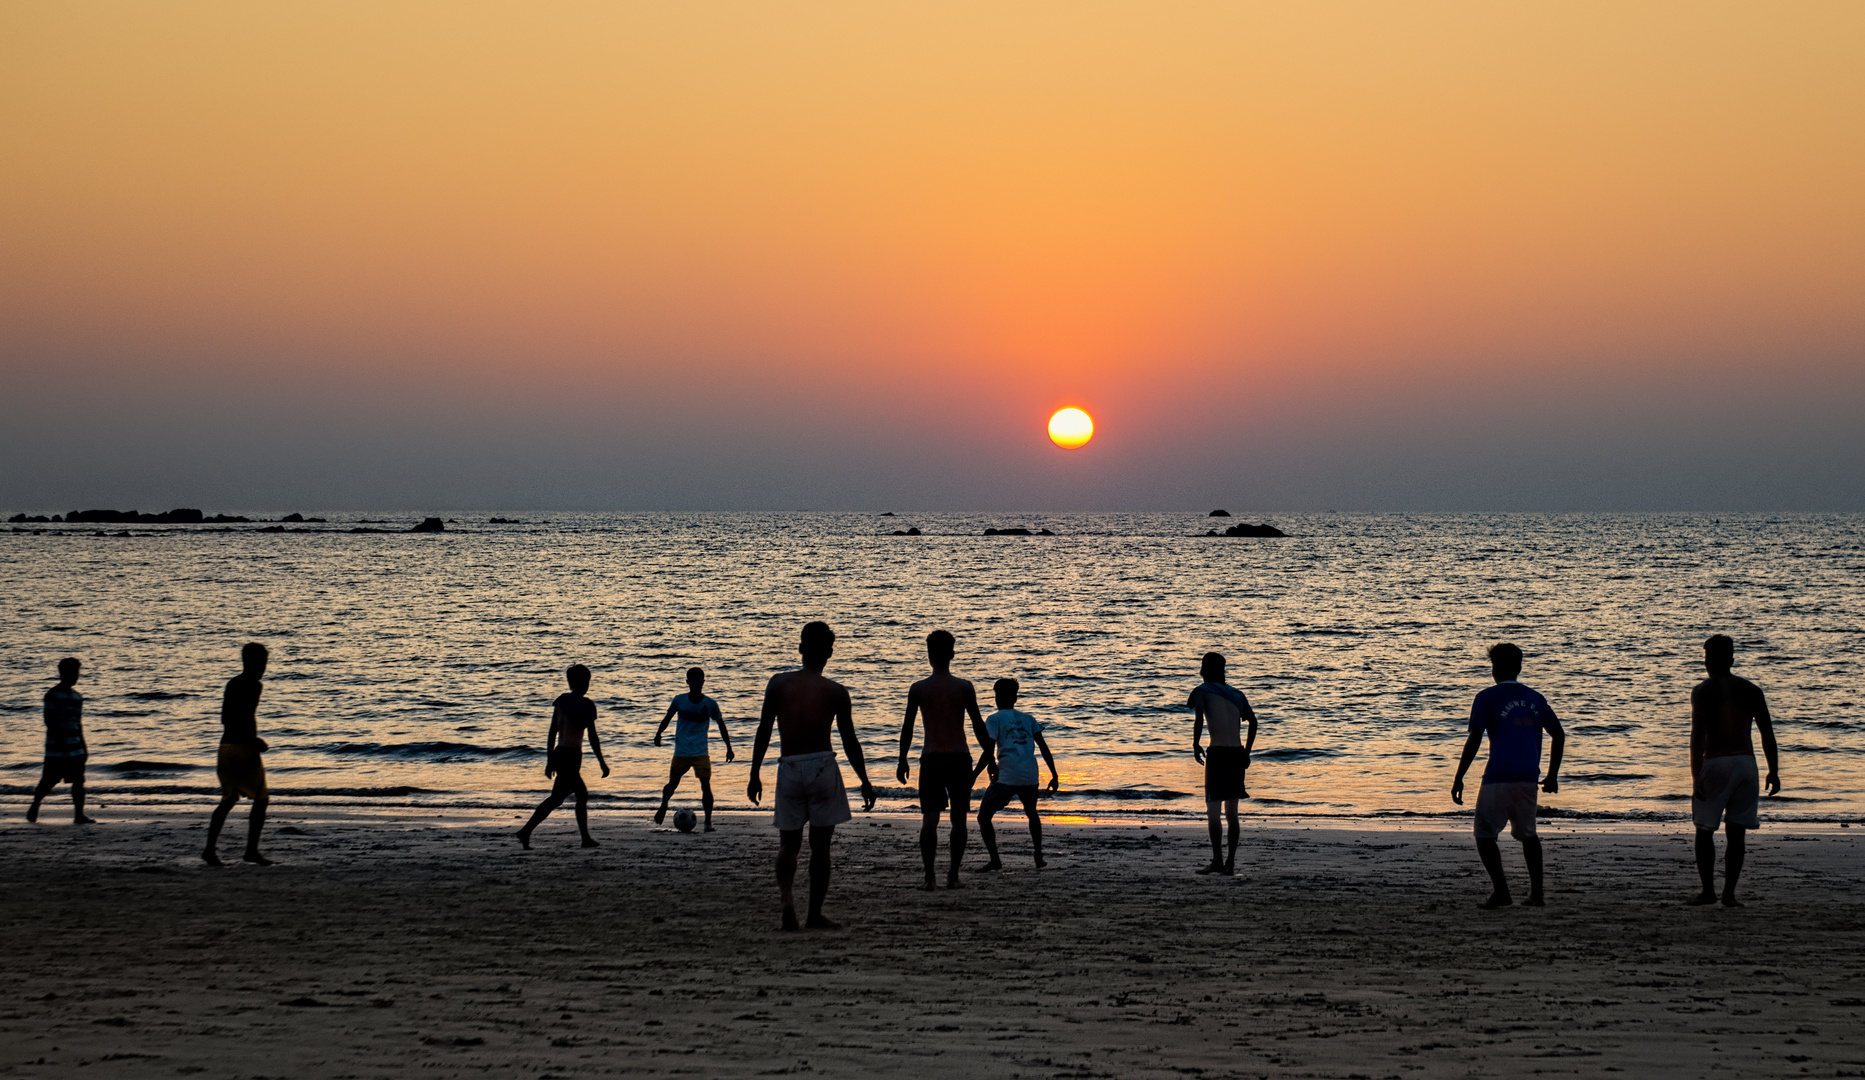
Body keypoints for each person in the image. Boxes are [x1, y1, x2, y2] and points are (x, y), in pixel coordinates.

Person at [747, 622, 877, 930]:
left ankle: (787, 903)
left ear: (801, 648)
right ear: (829, 653)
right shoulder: (835, 691)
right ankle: (814, 914)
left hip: (789, 764)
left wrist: (754, 773)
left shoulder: (778, 684)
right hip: (822, 766)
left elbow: (764, 730)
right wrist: (865, 780)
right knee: (821, 848)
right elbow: (849, 740)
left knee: (788, 845)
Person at [1451, 643, 1566, 908]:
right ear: (1519, 667)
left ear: (1494, 669)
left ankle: (1502, 891)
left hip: (1498, 775)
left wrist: (1459, 777)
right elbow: (1558, 733)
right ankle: (1537, 894)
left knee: (1484, 834)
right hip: (1528, 776)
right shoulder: (1535, 697)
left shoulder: (1486, 697)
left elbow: (1474, 738)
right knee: (1528, 834)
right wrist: (1552, 775)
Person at [897, 630, 993, 890]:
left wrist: (902, 758)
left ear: (929, 656)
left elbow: (908, 727)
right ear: (952, 654)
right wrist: (991, 755)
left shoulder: (919, 689)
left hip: (931, 758)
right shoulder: (963, 687)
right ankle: (952, 876)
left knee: (930, 819)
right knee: (959, 819)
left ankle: (930, 878)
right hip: (959, 758)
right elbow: (977, 725)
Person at [1689, 634, 1781, 908]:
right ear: (1731, 659)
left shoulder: (1703, 690)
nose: (1705, 662)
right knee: (1737, 832)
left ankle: (1708, 891)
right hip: (1746, 764)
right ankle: (1729, 894)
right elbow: (1767, 733)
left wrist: (1696, 776)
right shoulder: (1752, 690)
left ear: (1709, 660)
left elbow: (1698, 736)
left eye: (1706, 657)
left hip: (1716, 762)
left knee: (1704, 829)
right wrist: (1773, 770)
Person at [516, 664, 612, 849]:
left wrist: (550, 759)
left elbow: (552, 733)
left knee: (558, 798)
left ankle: (526, 831)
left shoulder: (561, 702)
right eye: (587, 681)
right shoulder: (586, 705)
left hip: (560, 753)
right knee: (578, 795)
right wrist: (602, 762)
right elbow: (593, 737)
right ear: (584, 682)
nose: (587, 684)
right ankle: (584, 839)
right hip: (572, 755)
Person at [975, 678, 1057, 871]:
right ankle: (1038, 856)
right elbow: (1044, 748)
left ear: (997, 697)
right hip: (1029, 774)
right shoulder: (1028, 719)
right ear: (1015, 698)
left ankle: (995, 860)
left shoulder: (994, 719)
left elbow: (988, 750)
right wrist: (1054, 774)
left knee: (984, 817)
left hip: (1008, 776)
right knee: (1031, 813)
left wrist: (973, 774)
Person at [204, 643, 275, 866]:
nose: (264, 668)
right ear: (255, 663)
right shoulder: (254, 685)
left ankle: (209, 850)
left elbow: (226, 718)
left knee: (228, 800)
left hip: (225, 748)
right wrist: (254, 743)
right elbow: (248, 716)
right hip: (242, 748)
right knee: (262, 799)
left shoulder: (232, 683)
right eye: (263, 663)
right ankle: (251, 851)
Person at [1189, 652, 1258, 876]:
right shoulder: (1237, 694)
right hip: (1236, 753)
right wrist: (1246, 753)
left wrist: (1195, 743)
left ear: (1205, 669)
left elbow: (1199, 719)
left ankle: (1218, 861)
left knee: (1213, 811)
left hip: (1218, 753)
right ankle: (1230, 863)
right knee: (1232, 813)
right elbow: (1254, 721)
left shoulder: (1202, 691)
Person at [653, 666, 735, 831]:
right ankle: (663, 806)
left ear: (703, 682)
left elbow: (721, 725)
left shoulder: (710, 704)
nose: (696, 684)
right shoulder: (679, 700)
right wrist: (658, 734)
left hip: (700, 752)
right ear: (687, 682)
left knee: (706, 785)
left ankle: (708, 822)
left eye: (699, 681)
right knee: (672, 784)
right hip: (681, 751)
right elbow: (667, 718)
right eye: (693, 681)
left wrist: (729, 747)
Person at [28, 657, 94, 825]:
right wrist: (61, 741)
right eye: (74, 672)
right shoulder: (52, 695)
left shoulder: (78, 697)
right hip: (56, 748)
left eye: (78, 672)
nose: (76, 676)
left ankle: (79, 815)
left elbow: (78, 723)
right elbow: (49, 721)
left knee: (79, 781)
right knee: (48, 780)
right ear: (64, 673)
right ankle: (35, 805)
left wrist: (84, 746)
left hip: (75, 747)